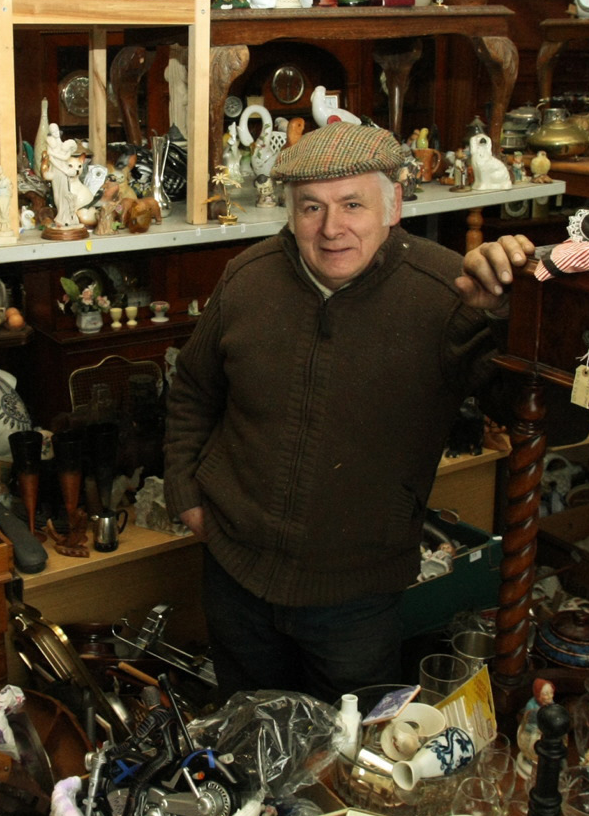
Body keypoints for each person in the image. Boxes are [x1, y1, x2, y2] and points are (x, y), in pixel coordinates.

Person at [163, 123, 533, 699]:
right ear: (290, 212)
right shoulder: (248, 278)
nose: (331, 228)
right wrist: (185, 492)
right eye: (312, 207)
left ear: (394, 207)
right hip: (235, 573)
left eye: (352, 204)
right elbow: (191, 389)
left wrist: (501, 318)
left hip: (355, 599)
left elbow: (523, 414)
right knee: (247, 735)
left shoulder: (447, 292)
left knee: (345, 756)